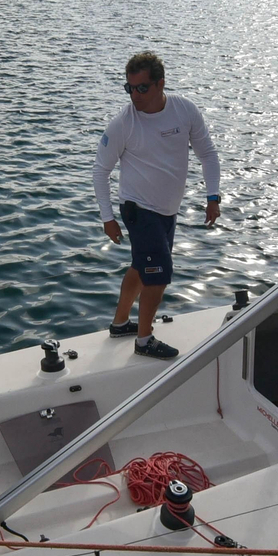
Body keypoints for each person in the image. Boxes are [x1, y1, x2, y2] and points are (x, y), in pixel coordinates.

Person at [92, 51, 222, 359]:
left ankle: (121, 323)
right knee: (159, 274)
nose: (135, 95)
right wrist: (107, 218)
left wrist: (212, 197)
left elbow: (208, 154)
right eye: (129, 88)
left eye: (142, 88)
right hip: (138, 209)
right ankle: (144, 340)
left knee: (141, 267)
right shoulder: (124, 123)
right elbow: (100, 170)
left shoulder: (184, 111)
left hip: (167, 211)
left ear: (160, 84)